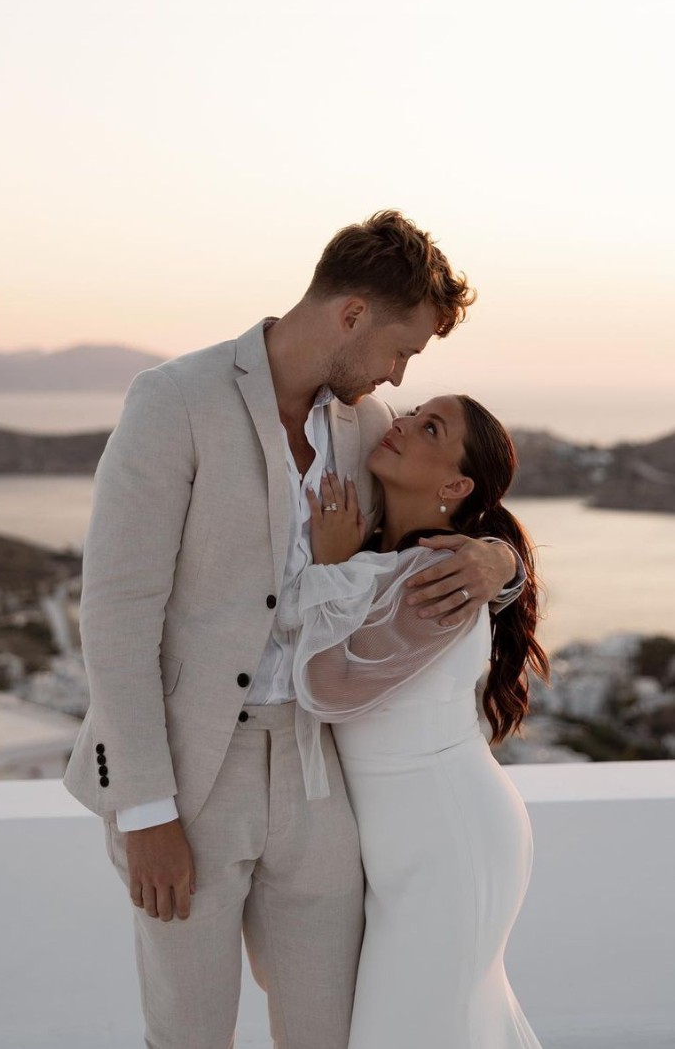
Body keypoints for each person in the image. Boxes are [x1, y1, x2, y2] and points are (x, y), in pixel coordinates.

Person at [62, 210, 527, 1049]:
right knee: (191, 1033)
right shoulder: (175, 400)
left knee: (331, 1034)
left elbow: (438, 522)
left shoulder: (361, 423)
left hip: (318, 780)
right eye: (402, 350)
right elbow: (117, 613)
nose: (398, 374)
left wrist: (500, 562)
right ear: (351, 316)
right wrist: (145, 811)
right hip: (193, 777)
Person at [288, 393, 550, 1049]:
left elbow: (328, 687)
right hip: (408, 844)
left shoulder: (444, 571)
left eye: (429, 427)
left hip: (450, 837)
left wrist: (330, 569)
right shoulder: (405, 560)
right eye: (410, 412)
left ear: (457, 484)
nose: (401, 424)